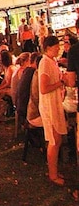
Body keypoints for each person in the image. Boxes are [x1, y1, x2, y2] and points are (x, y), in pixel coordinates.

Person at [38, 36, 67, 186]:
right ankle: (53, 174)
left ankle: (54, 169)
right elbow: (43, 88)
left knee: (58, 138)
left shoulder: (52, 61)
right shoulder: (45, 63)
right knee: (54, 140)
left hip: (54, 103)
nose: (59, 48)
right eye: (56, 46)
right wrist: (61, 82)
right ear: (49, 47)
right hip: (49, 106)